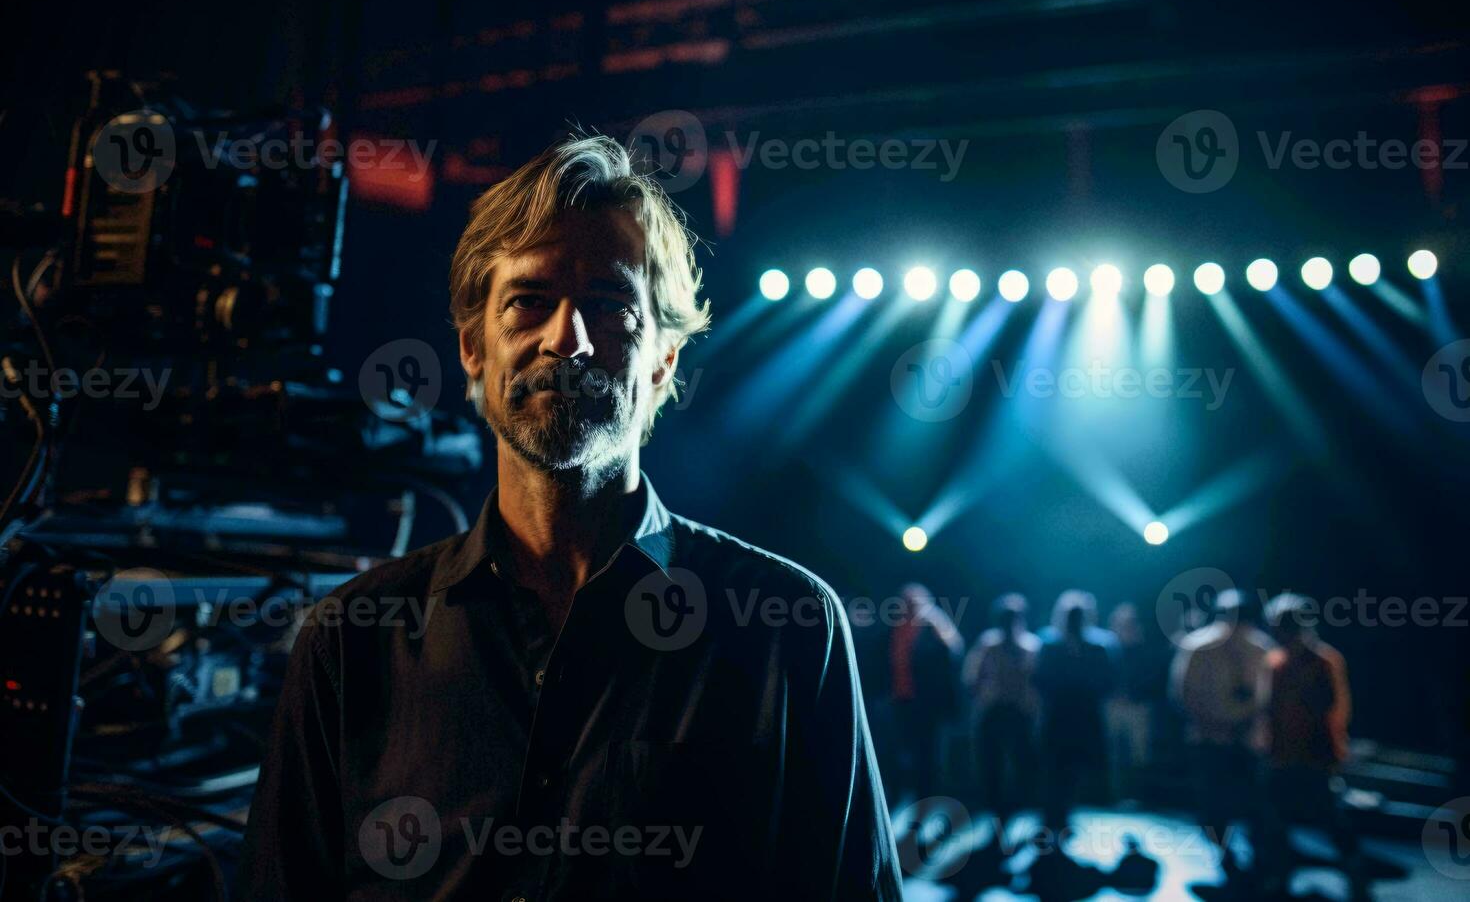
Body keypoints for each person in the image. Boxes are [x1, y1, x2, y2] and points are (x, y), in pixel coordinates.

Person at [237, 134, 902, 900]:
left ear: (663, 361)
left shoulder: (788, 629)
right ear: (473, 347)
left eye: (610, 304)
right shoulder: (352, 642)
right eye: (529, 300)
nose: (567, 338)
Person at [1259, 593, 1365, 899]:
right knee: (1274, 817)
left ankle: (1354, 870)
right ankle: (1278, 873)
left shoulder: (1324, 661)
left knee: (1329, 815)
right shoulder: (1275, 662)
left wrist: (1331, 752)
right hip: (1281, 754)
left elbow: (1335, 708)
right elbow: (1269, 708)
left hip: (1316, 755)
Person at [1169, 588, 1273, 886]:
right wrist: (1215, 724)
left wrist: (1246, 722)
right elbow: (1183, 694)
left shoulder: (1261, 648)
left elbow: (1269, 697)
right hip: (1209, 742)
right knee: (1214, 804)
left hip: (1247, 743)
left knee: (1253, 803)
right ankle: (1226, 855)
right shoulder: (1199, 646)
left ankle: (1256, 863)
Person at [1034, 590, 1118, 832]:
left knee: (1074, 771)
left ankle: (1062, 815)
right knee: (1054, 771)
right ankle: (1053, 818)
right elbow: (1040, 680)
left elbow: (1109, 682)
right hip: (1058, 718)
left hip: (1085, 719)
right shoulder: (1049, 645)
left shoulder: (1100, 646)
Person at [886, 583, 963, 815]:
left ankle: (926, 801)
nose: (908, 607)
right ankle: (899, 797)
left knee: (927, 755)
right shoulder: (897, 626)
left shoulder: (932, 625)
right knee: (900, 751)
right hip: (901, 699)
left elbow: (953, 652)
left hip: (926, 704)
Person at [963, 593, 1040, 820]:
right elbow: (971, 676)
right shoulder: (988, 644)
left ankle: (1017, 808)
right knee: (991, 762)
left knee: (1022, 762)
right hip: (994, 711)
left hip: (1019, 712)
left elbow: (1037, 683)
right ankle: (996, 808)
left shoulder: (1031, 646)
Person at [1105, 602, 1165, 802]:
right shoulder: (1107, 649)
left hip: (1139, 707)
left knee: (1140, 754)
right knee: (1111, 752)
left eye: (1129, 623)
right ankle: (1114, 795)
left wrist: (1135, 695)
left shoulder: (1147, 651)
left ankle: (1137, 796)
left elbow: (1155, 679)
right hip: (1112, 706)